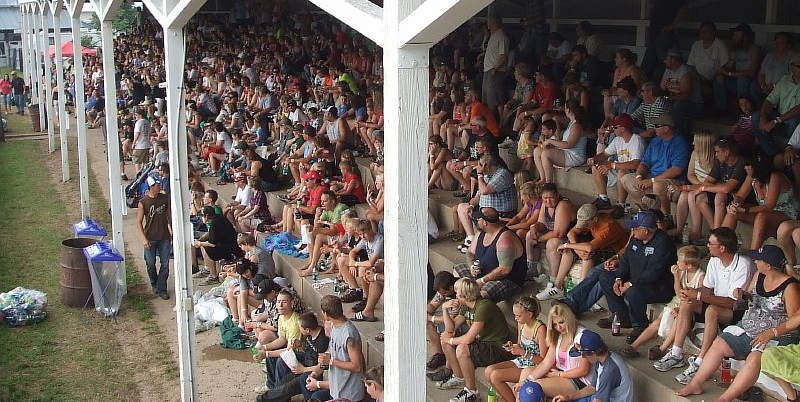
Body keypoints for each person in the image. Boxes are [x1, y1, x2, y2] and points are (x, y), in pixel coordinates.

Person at [676, 245, 800, 398]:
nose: (755, 261)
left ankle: (725, 398)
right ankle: (695, 384)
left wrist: (771, 333)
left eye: (758, 260)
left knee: (755, 357)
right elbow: (747, 297)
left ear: (768, 266)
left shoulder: (790, 287)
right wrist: (741, 294)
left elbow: (795, 321)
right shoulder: (759, 275)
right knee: (719, 343)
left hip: (777, 335)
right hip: (748, 327)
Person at [653, 227, 754, 386]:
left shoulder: (743, 264)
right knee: (687, 302)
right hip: (715, 302)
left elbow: (733, 302)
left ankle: (700, 361)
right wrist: (691, 292)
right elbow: (706, 288)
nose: (707, 246)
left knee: (712, 310)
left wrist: (699, 296)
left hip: (735, 312)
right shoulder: (714, 261)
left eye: (710, 243)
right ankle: (676, 353)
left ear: (722, 248)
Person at [597, 210, 677, 344]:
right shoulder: (636, 239)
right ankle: (621, 316)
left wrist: (630, 284)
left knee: (634, 291)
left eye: (635, 228)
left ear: (646, 231)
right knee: (605, 277)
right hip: (635, 280)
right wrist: (619, 278)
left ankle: (640, 326)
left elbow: (654, 271)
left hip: (658, 287)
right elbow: (625, 260)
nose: (632, 230)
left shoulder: (663, 243)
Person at [621, 245, 705, 360]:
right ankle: (635, 346)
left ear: (689, 265)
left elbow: (699, 300)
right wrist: (676, 277)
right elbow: (678, 292)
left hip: (690, 307)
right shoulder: (682, 272)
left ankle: (662, 348)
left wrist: (680, 309)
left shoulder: (701, 277)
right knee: (657, 321)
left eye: (679, 261)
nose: (677, 263)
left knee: (677, 320)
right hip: (678, 300)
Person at [436, 278, 513, 402]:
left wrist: (450, 340)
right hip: (483, 342)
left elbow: (468, 338)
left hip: (498, 347)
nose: (455, 295)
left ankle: (471, 392)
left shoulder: (483, 306)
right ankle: (459, 377)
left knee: (462, 348)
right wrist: (445, 309)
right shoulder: (466, 306)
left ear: (465, 295)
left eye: (457, 293)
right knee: (445, 338)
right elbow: (451, 328)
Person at [538, 204, 628, 301]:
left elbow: (590, 247)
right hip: (602, 247)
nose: (584, 226)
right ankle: (557, 287)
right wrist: (576, 249)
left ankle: (580, 293)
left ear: (595, 219)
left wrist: (567, 245)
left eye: (586, 224)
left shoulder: (607, 227)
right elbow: (571, 232)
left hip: (616, 253)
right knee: (570, 250)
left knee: (587, 254)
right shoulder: (593, 220)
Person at [619, 113, 691, 227]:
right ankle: (648, 211)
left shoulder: (680, 142)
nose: (654, 128)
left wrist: (652, 180)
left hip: (674, 182)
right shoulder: (656, 141)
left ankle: (665, 217)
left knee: (658, 185)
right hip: (652, 177)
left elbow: (676, 170)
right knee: (626, 179)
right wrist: (639, 177)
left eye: (657, 126)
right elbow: (644, 163)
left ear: (666, 128)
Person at [722, 154, 800, 250]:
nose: (745, 168)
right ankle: (720, 245)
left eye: (748, 165)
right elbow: (740, 196)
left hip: (787, 215)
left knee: (761, 216)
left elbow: (769, 206)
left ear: (757, 167)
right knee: (733, 212)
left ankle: (753, 254)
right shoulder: (752, 176)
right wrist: (735, 204)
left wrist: (746, 210)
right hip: (767, 214)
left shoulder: (775, 176)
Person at [514, 304, 591, 400]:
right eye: (555, 324)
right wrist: (526, 381)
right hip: (560, 373)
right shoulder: (557, 335)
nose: (559, 327)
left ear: (569, 319)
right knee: (525, 373)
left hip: (579, 380)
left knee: (533, 387)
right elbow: (546, 363)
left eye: (561, 322)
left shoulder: (582, 336)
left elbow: (584, 370)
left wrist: (559, 374)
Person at [454, 207, 527, 303]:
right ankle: (459, 304)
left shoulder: (505, 240)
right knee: (457, 270)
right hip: (482, 274)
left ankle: (475, 309)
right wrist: (472, 266)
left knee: (484, 293)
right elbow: (470, 252)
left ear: (485, 222)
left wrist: (482, 281)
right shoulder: (480, 232)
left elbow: (504, 270)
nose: (476, 221)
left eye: (478, 219)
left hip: (506, 280)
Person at [484, 296, 548, 402]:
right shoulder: (521, 324)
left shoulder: (540, 329)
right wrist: (512, 346)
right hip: (522, 360)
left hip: (533, 367)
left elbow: (543, 361)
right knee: (488, 371)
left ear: (529, 314)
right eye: (514, 315)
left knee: (495, 376)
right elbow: (519, 344)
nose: (515, 318)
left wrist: (523, 352)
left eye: (518, 316)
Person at [257, 312, 329, 402]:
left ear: (307, 330)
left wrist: (303, 370)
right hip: (307, 361)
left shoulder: (322, 342)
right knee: (282, 366)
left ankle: (265, 398)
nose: (299, 329)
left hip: (311, 369)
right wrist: (300, 344)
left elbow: (321, 367)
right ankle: (274, 390)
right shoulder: (311, 333)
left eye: (300, 328)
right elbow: (310, 349)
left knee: (287, 386)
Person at [306, 295, 365, 402]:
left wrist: (331, 361)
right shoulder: (333, 327)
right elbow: (333, 353)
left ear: (325, 313)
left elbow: (357, 366)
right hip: (336, 390)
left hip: (349, 395)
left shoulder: (349, 333)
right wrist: (315, 373)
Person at [552, 330, 633, 402]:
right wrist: (568, 397)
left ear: (593, 353)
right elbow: (593, 388)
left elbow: (600, 400)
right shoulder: (602, 358)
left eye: (583, 354)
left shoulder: (609, 370)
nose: (582, 357)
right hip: (598, 396)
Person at [588, 114, 645, 209]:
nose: (612, 129)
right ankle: (603, 199)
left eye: (615, 127)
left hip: (634, 174)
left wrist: (612, 165)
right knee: (596, 166)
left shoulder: (636, 139)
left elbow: (636, 164)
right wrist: (594, 159)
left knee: (622, 172)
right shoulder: (617, 140)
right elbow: (604, 154)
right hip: (618, 169)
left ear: (623, 128)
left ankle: (620, 205)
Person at [671, 131, 716, 242]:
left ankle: (696, 231)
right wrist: (697, 185)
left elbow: (711, 182)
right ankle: (679, 229)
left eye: (695, 141)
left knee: (692, 195)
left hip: (709, 188)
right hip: (697, 185)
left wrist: (698, 187)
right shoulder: (694, 154)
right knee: (683, 195)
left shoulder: (715, 159)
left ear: (703, 144)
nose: (693, 143)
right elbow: (690, 174)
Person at [255, 290, 303, 393]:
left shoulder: (295, 321)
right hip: (290, 349)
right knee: (270, 356)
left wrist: (266, 353)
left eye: (284, 302)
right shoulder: (281, 317)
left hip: (299, 353)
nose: (280, 305)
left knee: (280, 360)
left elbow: (290, 350)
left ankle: (278, 392)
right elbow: (282, 339)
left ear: (291, 303)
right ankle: (271, 386)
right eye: (278, 301)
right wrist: (265, 347)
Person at [752, 53, 800, 157]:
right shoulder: (784, 80)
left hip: (794, 123)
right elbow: (770, 100)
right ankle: (773, 155)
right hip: (780, 119)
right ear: (792, 67)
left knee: (794, 121)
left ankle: (792, 154)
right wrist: (763, 118)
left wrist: (776, 121)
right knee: (756, 117)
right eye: (799, 66)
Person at [525, 183, 577, 277]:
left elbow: (558, 233)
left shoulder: (563, 204)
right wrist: (535, 226)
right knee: (529, 235)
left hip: (568, 237)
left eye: (551, 197)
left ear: (557, 195)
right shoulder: (544, 204)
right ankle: (532, 269)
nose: (548, 201)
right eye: (545, 198)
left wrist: (539, 239)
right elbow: (541, 223)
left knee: (552, 243)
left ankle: (553, 279)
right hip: (551, 233)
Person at [713, 23, 762, 115]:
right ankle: (721, 108)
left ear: (745, 36)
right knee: (718, 78)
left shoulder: (755, 49)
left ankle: (741, 112)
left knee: (742, 80)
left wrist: (731, 74)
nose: (733, 37)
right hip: (737, 81)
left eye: (736, 35)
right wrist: (721, 70)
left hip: (752, 81)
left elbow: (751, 72)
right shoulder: (736, 49)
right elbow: (729, 65)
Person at [534, 100, 588, 184]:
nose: (564, 110)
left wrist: (550, 141)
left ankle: (548, 183)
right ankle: (543, 178)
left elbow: (569, 145)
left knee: (546, 153)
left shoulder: (576, 126)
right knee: (537, 150)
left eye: (565, 108)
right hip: (567, 152)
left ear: (568, 110)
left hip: (575, 156)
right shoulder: (571, 123)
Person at [137, 176, 172, 300]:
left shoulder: (164, 198)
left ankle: (162, 288)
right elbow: (139, 222)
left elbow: (168, 215)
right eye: (157, 185)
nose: (159, 187)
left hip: (164, 236)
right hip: (150, 236)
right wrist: (143, 238)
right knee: (150, 263)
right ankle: (154, 282)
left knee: (165, 263)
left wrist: (171, 228)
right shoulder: (143, 202)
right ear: (151, 187)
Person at [194, 206, 244, 286]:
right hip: (226, 245)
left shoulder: (215, 223)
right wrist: (201, 240)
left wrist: (199, 243)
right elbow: (211, 233)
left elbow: (212, 243)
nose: (201, 218)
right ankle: (207, 269)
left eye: (202, 216)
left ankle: (213, 276)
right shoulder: (218, 218)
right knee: (203, 245)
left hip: (231, 251)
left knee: (206, 248)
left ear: (206, 216)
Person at [661, 48, 703, 133]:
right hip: (675, 100)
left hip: (694, 104)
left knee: (678, 105)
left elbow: (686, 95)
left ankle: (677, 133)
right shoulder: (668, 69)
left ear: (673, 59)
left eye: (666, 59)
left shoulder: (685, 71)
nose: (664, 61)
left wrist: (670, 98)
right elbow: (662, 87)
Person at [687, 21, 729, 95]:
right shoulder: (696, 44)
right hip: (699, 77)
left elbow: (725, 65)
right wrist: (698, 76)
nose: (702, 33)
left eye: (705, 31)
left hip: (715, 77)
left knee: (719, 79)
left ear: (713, 32)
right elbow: (691, 65)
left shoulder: (720, 44)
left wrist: (716, 75)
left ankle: (720, 103)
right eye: (701, 31)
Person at [482, 15, 510, 116]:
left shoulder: (502, 37)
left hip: (495, 71)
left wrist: (495, 68)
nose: (487, 24)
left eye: (489, 22)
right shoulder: (493, 35)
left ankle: (500, 121)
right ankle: (491, 119)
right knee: (488, 98)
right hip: (488, 70)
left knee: (496, 99)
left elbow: (503, 55)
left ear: (494, 23)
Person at [131, 108, 152, 173]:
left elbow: (137, 133)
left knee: (137, 161)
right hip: (147, 144)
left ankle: (138, 174)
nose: (135, 116)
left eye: (136, 115)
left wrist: (134, 143)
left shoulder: (139, 122)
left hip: (140, 145)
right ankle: (144, 174)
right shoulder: (147, 122)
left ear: (140, 115)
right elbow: (149, 133)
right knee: (145, 162)